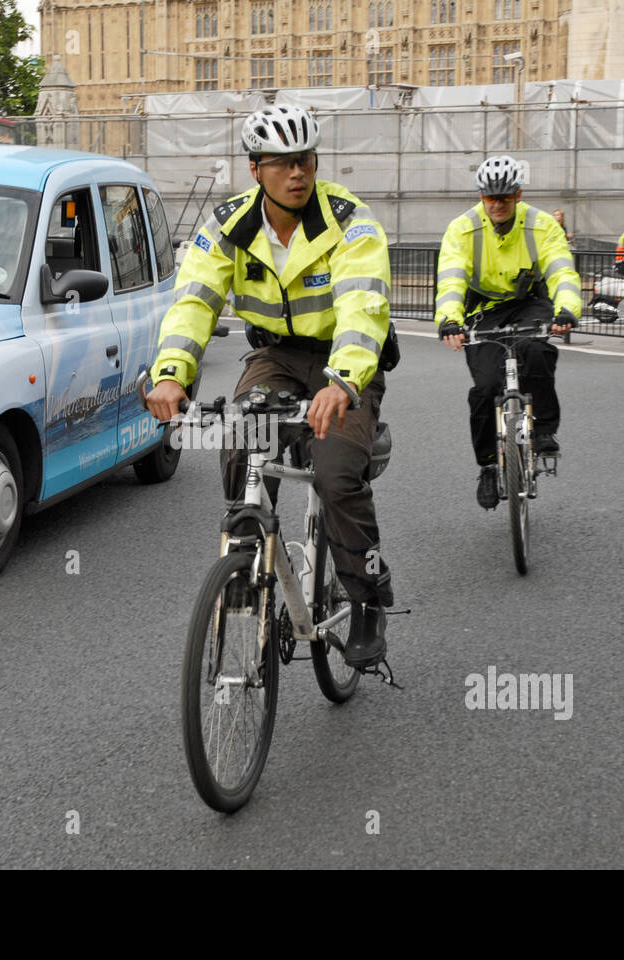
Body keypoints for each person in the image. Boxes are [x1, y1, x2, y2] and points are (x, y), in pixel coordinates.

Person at [145, 104, 395, 668]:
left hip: (342, 362)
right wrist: (170, 375)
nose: (298, 173)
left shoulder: (350, 220)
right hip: (276, 357)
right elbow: (193, 303)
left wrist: (345, 382)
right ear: (256, 168)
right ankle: (250, 558)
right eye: (283, 163)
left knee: (334, 473)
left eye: (305, 160)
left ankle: (367, 599)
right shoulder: (228, 226)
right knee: (238, 438)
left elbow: (363, 304)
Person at [434, 154, 579, 510]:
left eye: (505, 197)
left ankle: (543, 429)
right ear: (481, 195)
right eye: (490, 197)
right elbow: (452, 277)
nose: (497, 205)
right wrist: (450, 319)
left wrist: (567, 310)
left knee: (535, 350)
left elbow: (561, 271)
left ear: (519, 194)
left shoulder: (542, 225)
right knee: (484, 388)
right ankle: (487, 465)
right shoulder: (463, 228)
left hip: (530, 301)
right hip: (484, 308)